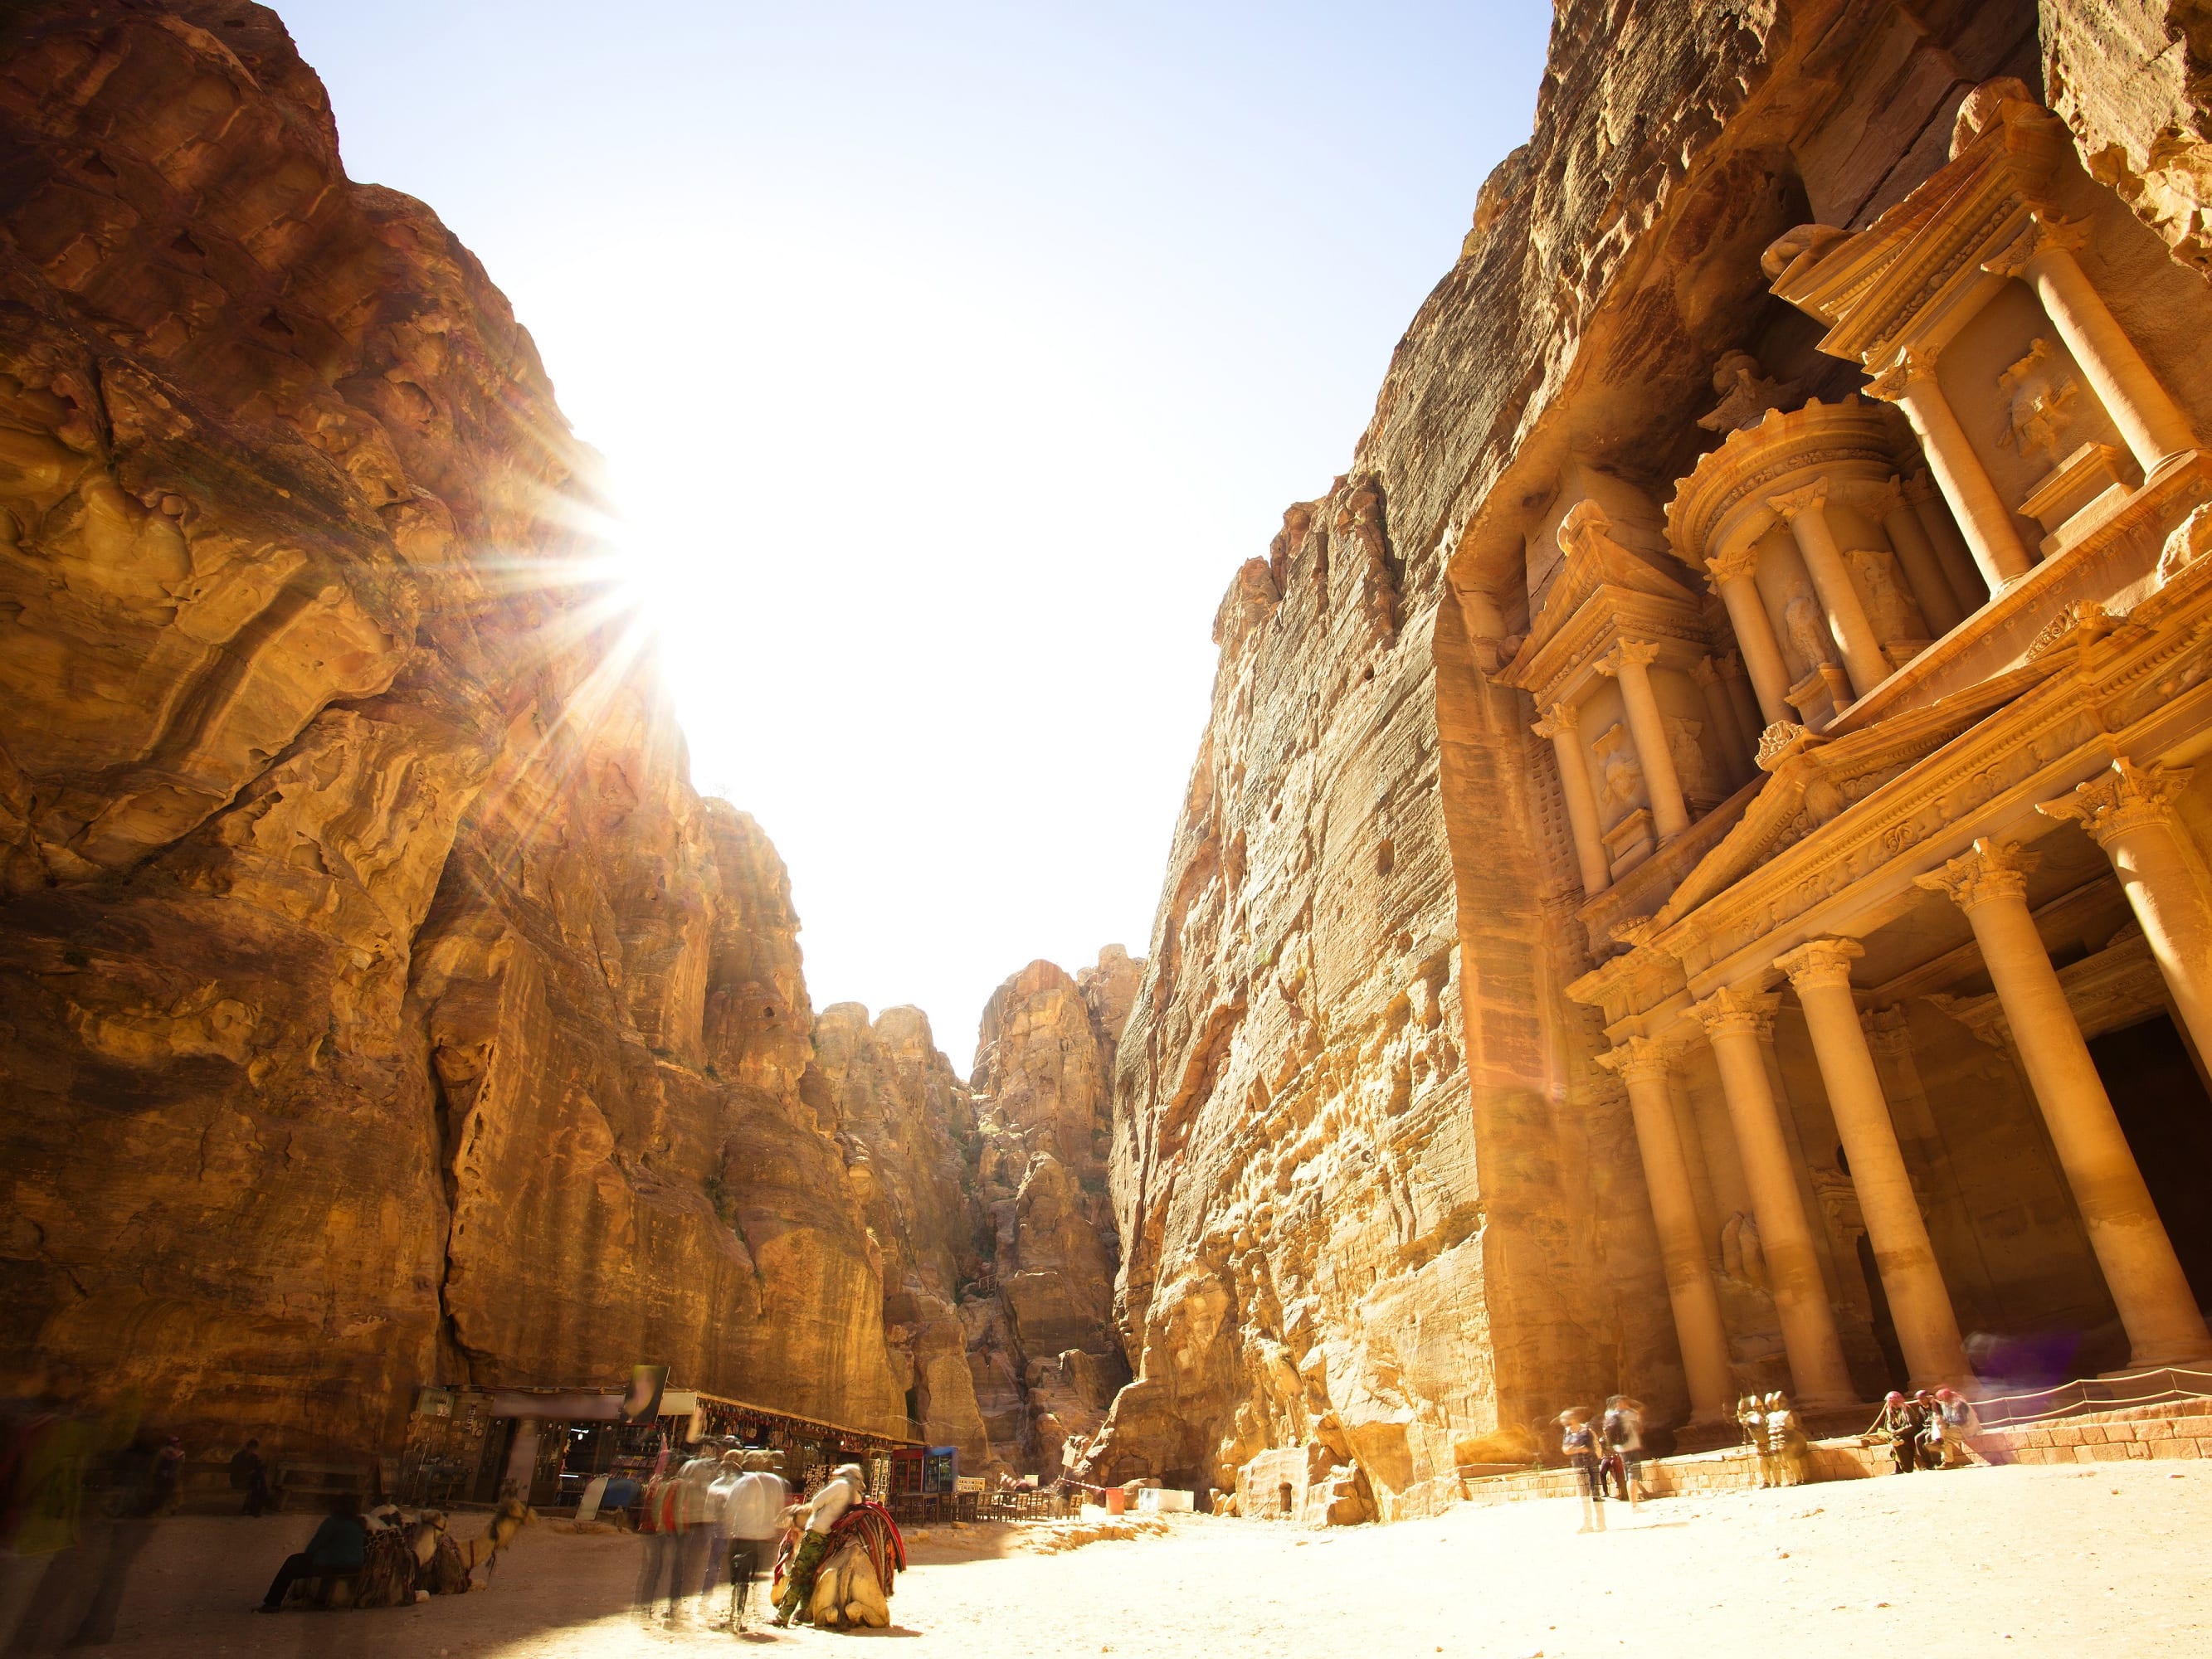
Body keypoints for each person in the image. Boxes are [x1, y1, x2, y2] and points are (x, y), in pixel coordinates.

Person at [772, 1462, 863, 1626]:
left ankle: (783, 1616)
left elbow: (815, 1503)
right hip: (830, 1537)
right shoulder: (856, 1495)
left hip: (816, 1533)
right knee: (811, 1573)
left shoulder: (840, 1486)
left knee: (799, 1574)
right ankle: (805, 1611)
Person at [255, 1493, 366, 1611]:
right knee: (312, 1561)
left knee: (292, 1562)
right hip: (355, 1566)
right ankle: (321, 1599)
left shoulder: (333, 1522)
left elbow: (314, 1546)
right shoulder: (358, 1524)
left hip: (334, 1564)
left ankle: (273, 1602)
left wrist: (316, 1554)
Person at [723, 1449, 791, 1631]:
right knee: (752, 1576)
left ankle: (735, 1614)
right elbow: (779, 1510)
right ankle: (745, 1613)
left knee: (738, 1578)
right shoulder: (776, 1482)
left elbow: (730, 1507)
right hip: (763, 1537)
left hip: (742, 1533)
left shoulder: (743, 1481)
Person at [1558, 1410, 1605, 1534]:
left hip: (1591, 1465)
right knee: (1584, 1496)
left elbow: (1592, 1447)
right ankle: (1588, 1524)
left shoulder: (1587, 1430)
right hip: (1578, 1466)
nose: (1564, 1424)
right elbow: (1565, 1449)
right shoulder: (1568, 1432)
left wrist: (1577, 1450)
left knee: (1596, 1494)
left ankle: (1601, 1523)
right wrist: (1578, 1450)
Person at [1600, 1396, 1644, 1506]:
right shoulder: (1630, 1414)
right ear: (1622, 1403)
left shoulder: (1609, 1414)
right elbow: (1641, 1412)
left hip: (1621, 1449)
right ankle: (1634, 1504)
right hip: (1632, 1447)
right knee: (1632, 1477)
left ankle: (1633, 1503)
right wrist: (1630, 1405)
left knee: (1629, 1476)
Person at [1868, 1391, 1922, 1474]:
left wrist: (1899, 1432)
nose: (1892, 1404)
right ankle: (1893, 1438)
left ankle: (1899, 1468)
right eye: (1890, 1402)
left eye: (1894, 1401)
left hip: (1906, 1434)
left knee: (1895, 1445)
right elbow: (1889, 1423)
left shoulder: (1906, 1409)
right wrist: (1892, 1431)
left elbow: (1912, 1425)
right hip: (1895, 1435)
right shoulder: (1889, 1411)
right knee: (1880, 1431)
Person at [228, 1438, 270, 1516]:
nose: (252, 1450)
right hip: (238, 1481)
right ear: (247, 1447)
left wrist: (259, 1467)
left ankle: (253, 1509)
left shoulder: (254, 1457)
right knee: (258, 1486)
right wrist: (248, 1472)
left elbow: (257, 1468)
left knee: (258, 1482)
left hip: (249, 1481)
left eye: (254, 1448)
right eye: (251, 1448)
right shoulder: (238, 1456)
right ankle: (255, 1508)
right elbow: (234, 1470)